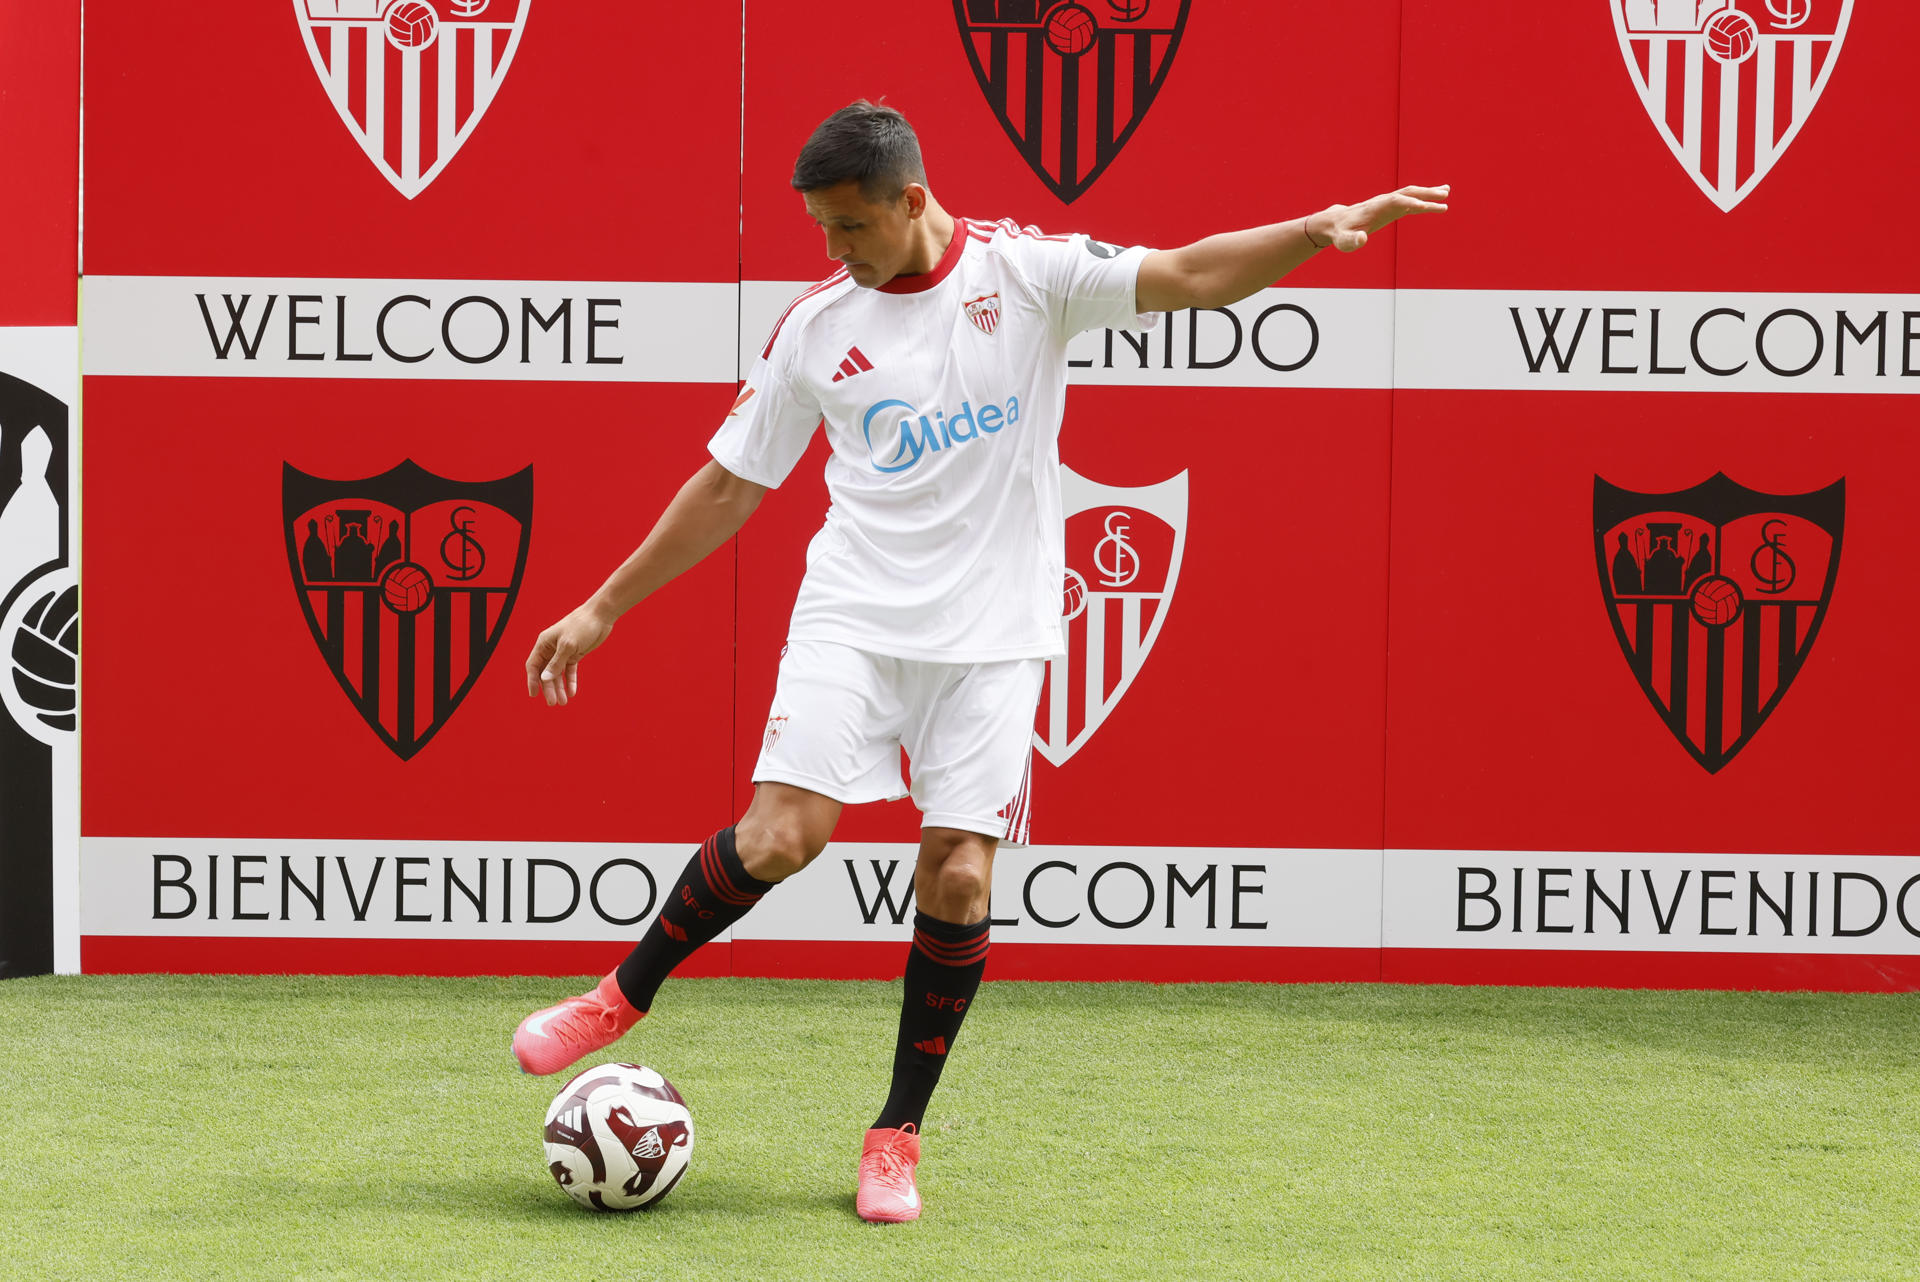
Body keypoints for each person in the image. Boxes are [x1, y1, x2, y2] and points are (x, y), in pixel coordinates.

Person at [514, 99, 1446, 1223]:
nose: (833, 249)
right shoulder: (815, 325)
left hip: (998, 638)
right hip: (854, 616)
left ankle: (896, 1134)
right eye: (819, 228)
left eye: (850, 226)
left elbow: (1194, 275)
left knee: (959, 875)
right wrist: (604, 605)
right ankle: (621, 995)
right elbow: (729, 483)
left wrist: (1312, 227)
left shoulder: (1032, 275)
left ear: (913, 200)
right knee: (778, 836)